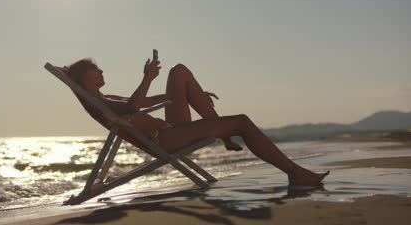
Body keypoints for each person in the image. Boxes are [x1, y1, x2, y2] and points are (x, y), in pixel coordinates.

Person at [66, 57, 329, 186]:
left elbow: (144, 103)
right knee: (242, 121)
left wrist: (195, 95)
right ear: (83, 77)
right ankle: (295, 173)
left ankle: (226, 134)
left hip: (170, 130)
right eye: (96, 68)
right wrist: (147, 77)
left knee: (179, 71)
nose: (101, 71)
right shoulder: (97, 102)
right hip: (165, 139)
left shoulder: (105, 98)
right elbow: (134, 107)